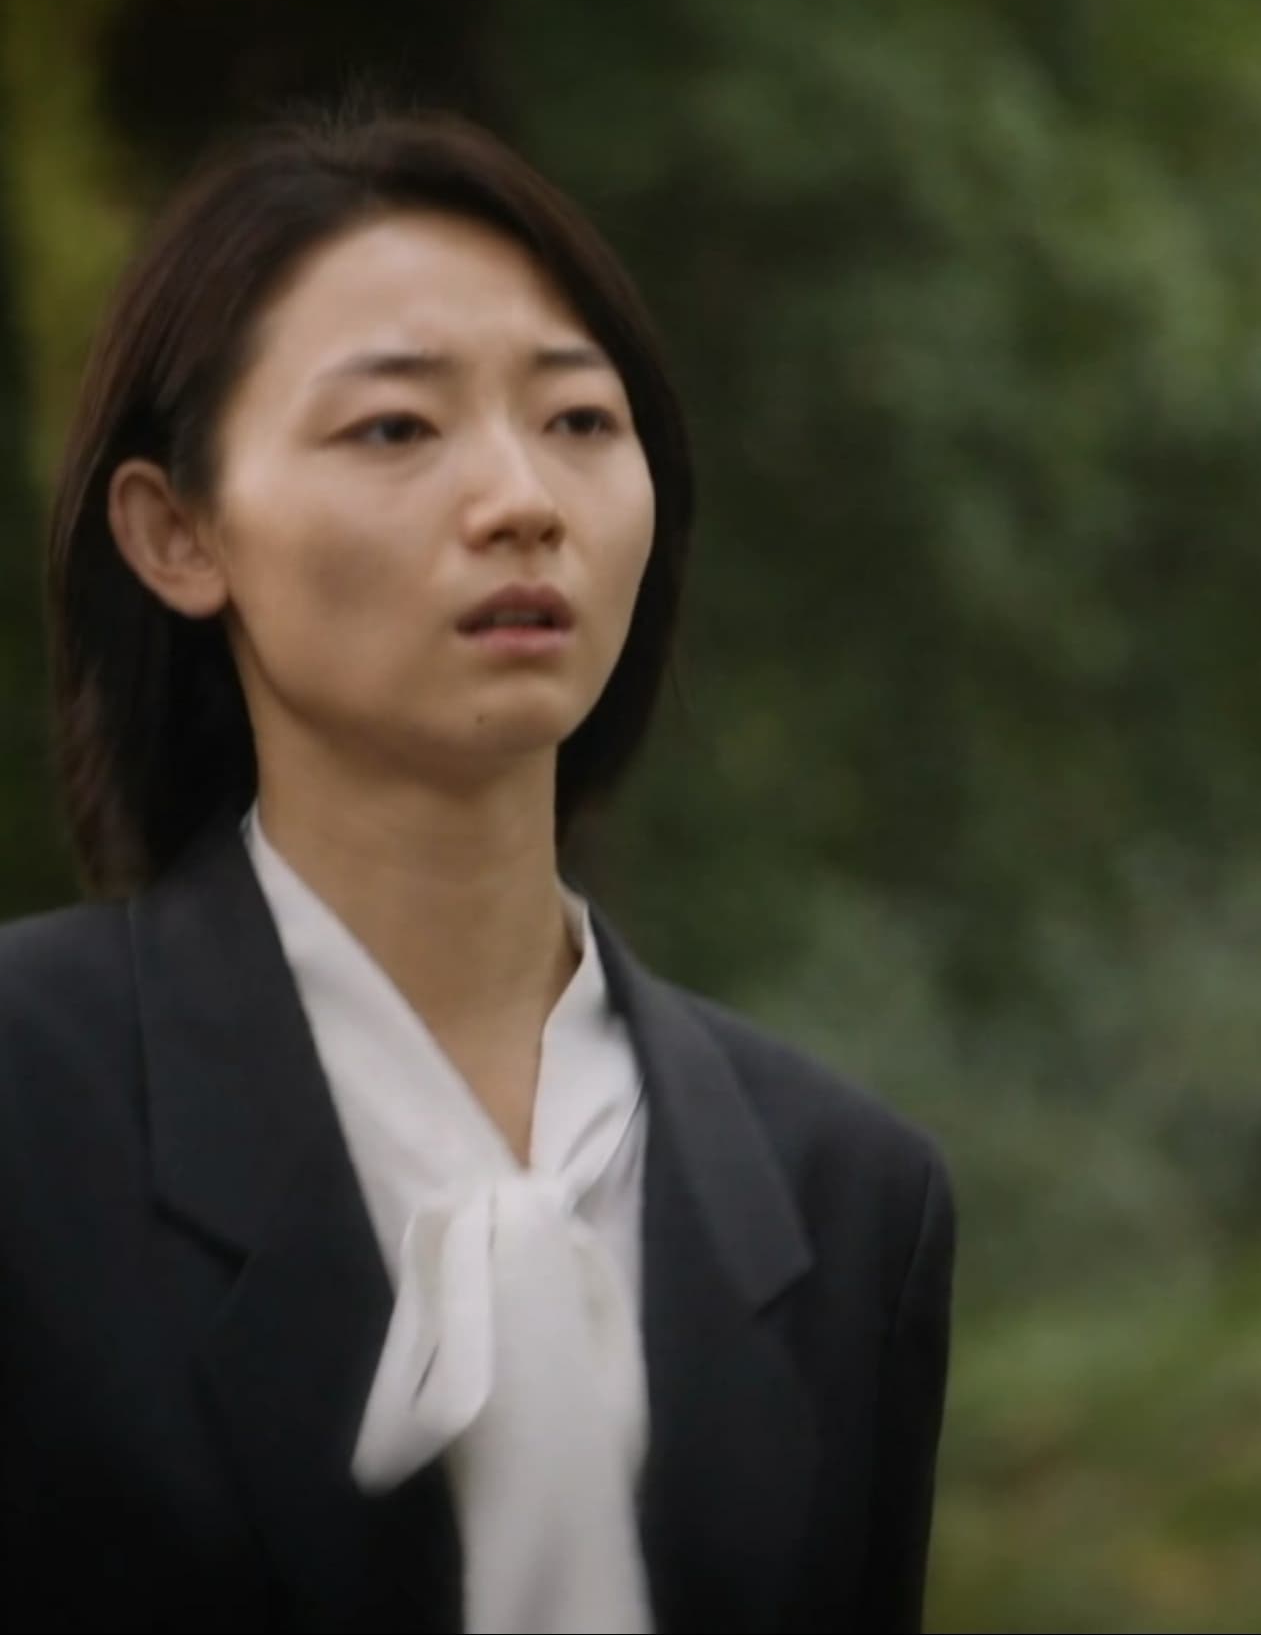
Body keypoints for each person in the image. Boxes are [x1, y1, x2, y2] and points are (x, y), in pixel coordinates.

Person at [0, 111, 955, 1631]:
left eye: (579, 420)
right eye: (395, 428)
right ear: (176, 533)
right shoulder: (30, 1100)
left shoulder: (844, 1196)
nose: (522, 500)